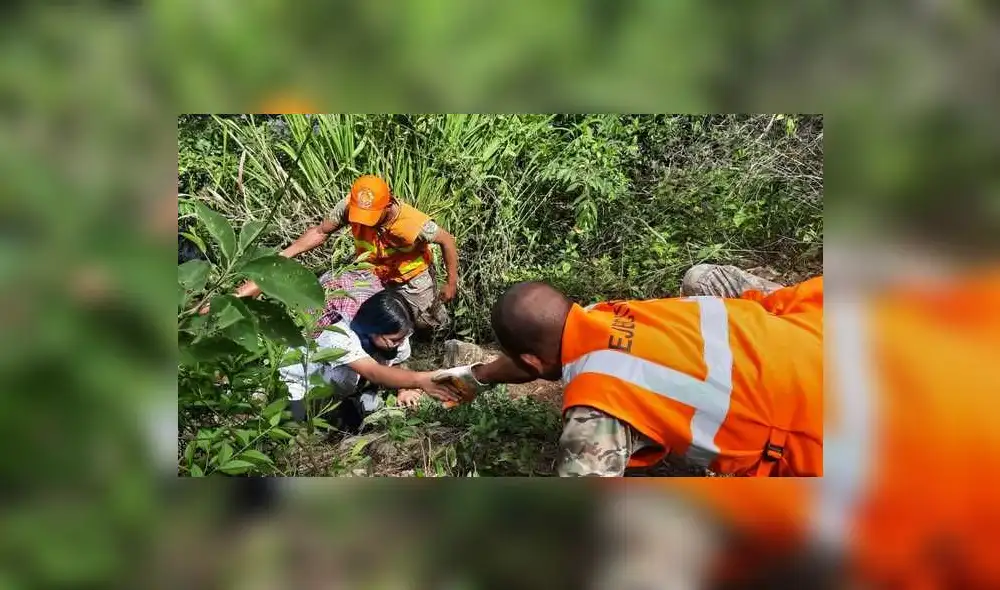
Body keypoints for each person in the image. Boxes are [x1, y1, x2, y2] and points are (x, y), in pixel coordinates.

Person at [434, 264, 824, 477]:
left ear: (534, 361)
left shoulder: (597, 410)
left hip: (832, 433)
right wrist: (475, 378)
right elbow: (534, 360)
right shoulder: (611, 314)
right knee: (701, 276)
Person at [232, 175, 459, 330]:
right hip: (372, 271)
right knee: (340, 299)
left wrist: (450, 283)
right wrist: (281, 258)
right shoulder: (349, 207)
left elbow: (447, 241)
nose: (363, 221)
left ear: (388, 205)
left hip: (412, 278)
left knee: (428, 323)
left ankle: (444, 340)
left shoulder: (413, 224)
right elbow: (321, 232)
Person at [280, 288, 459, 433]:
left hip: (341, 391)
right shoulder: (339, 336)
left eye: (402, 338)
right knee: (293, 426)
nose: (400, 344)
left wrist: (403, 390)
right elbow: (373, 372)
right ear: (372, 330)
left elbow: (397, 362)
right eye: (394, 340)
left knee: (369, 412)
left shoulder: (396, 336)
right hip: (301, 387)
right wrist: (421, 379)